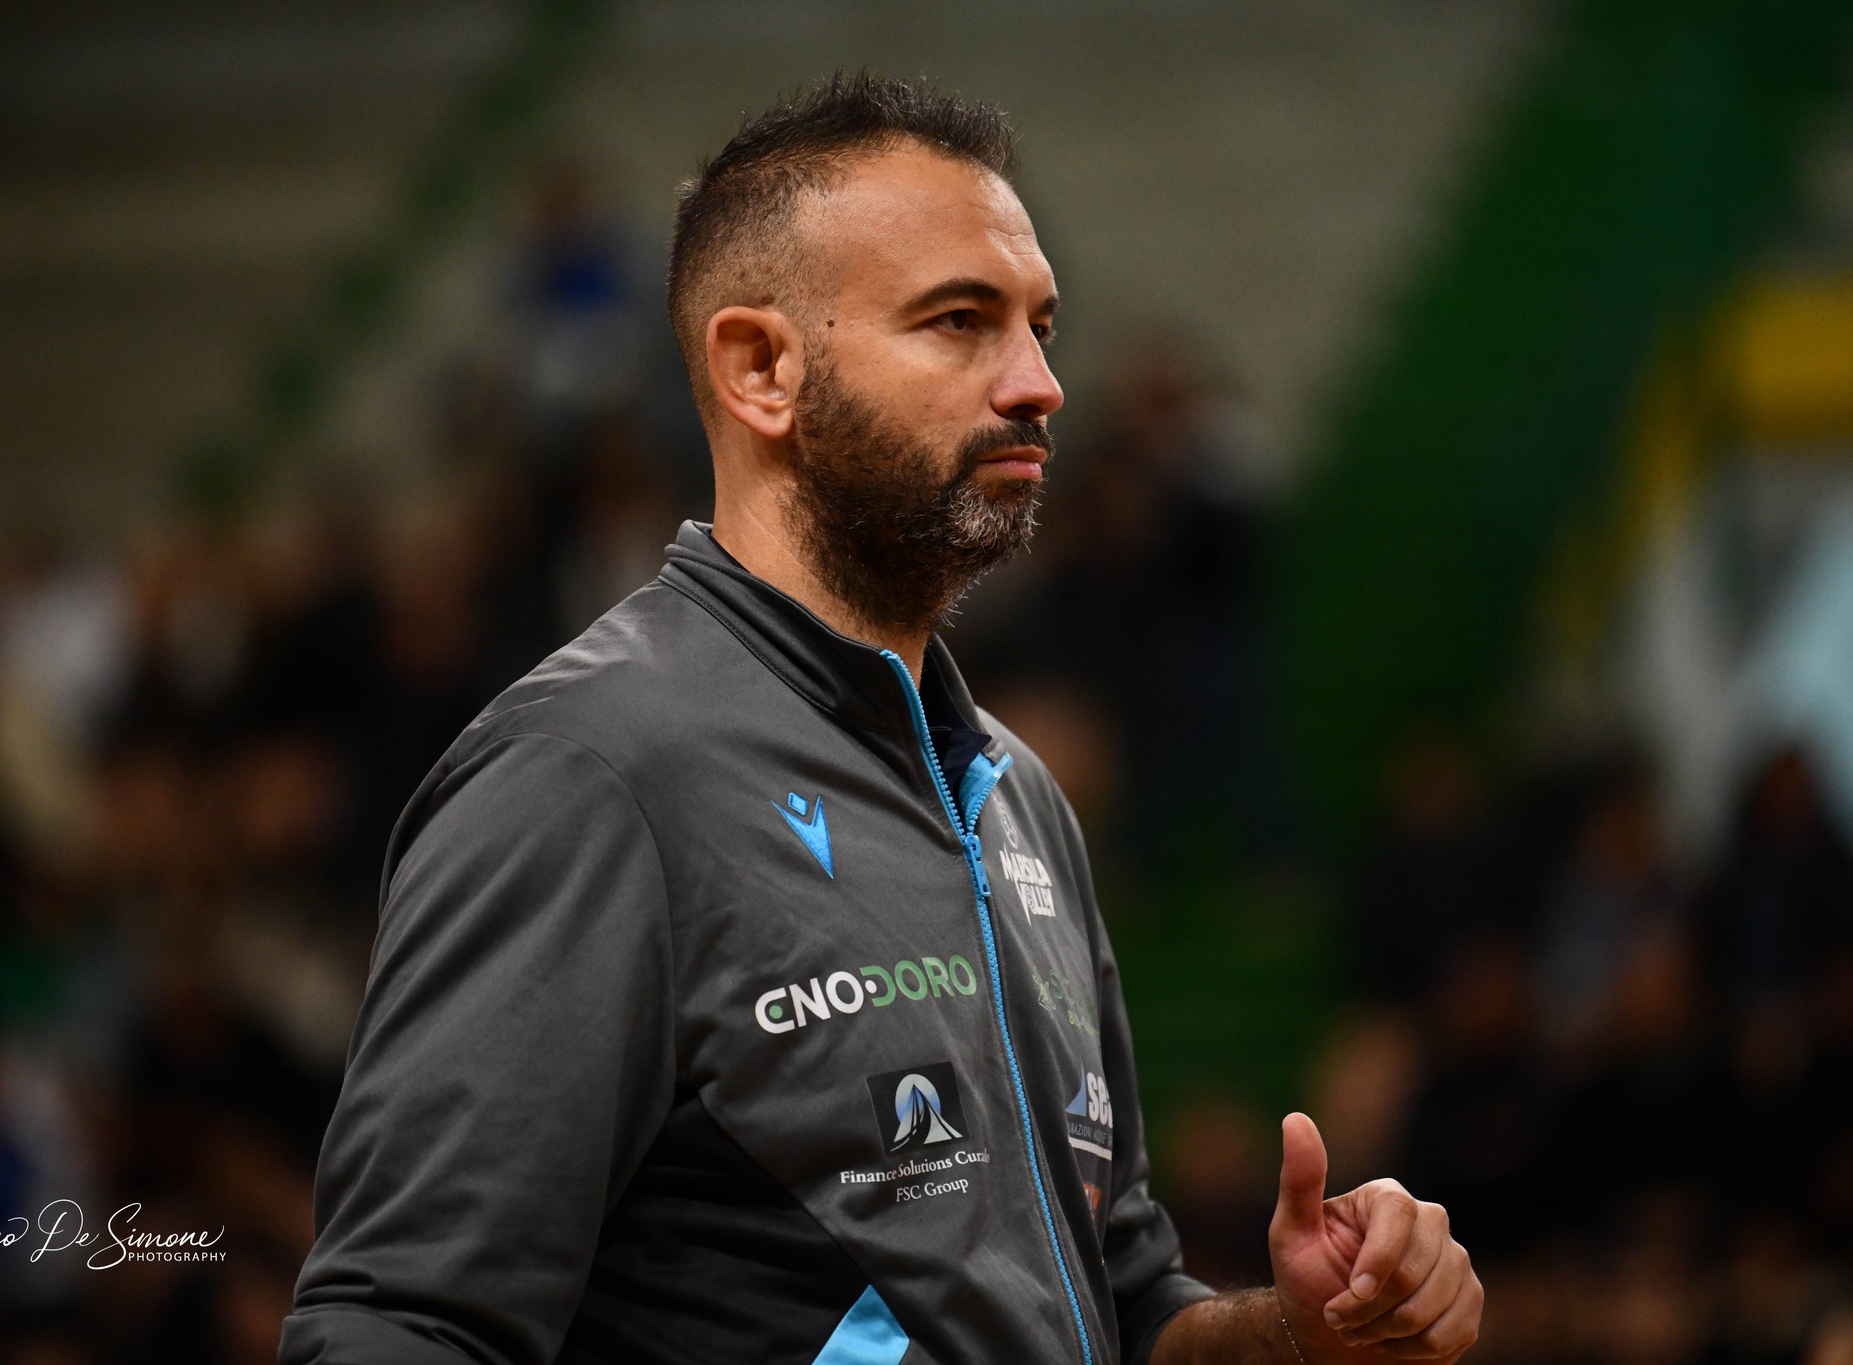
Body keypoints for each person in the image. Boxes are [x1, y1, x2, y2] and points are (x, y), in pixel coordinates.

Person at [277, 75, 1483, 1365]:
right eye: (960, 322)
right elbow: (396, 1327)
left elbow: (1121, 1305)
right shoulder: (587, 775)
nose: (1039, 385)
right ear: (762, 369)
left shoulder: (1018, 796)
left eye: (1041, 327)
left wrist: (1298, 1338)